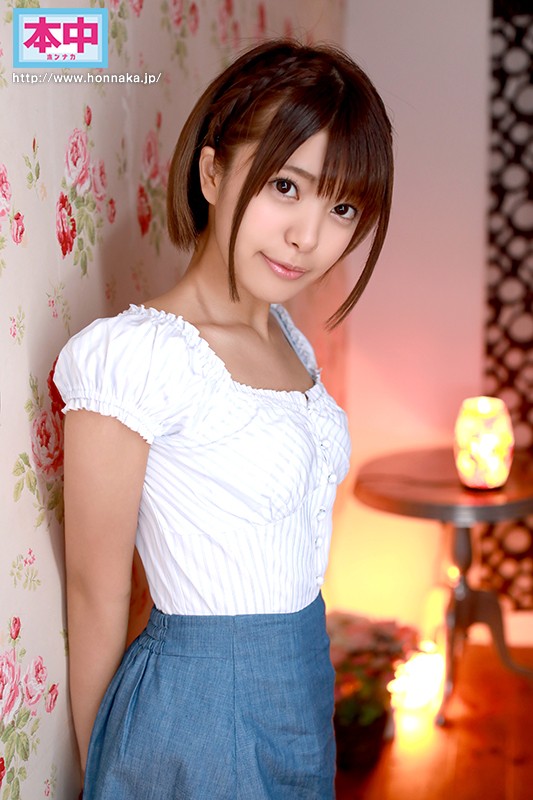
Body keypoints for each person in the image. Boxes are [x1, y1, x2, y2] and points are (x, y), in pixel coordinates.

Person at [54, 38, 393, 800]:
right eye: (285, 186)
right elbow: (94, 591)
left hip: (300, 687)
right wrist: (103, 770)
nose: (308, 236)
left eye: (341, 207)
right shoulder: (137, 356)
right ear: (212, 173)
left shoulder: (287, 338)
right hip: (197, 715)